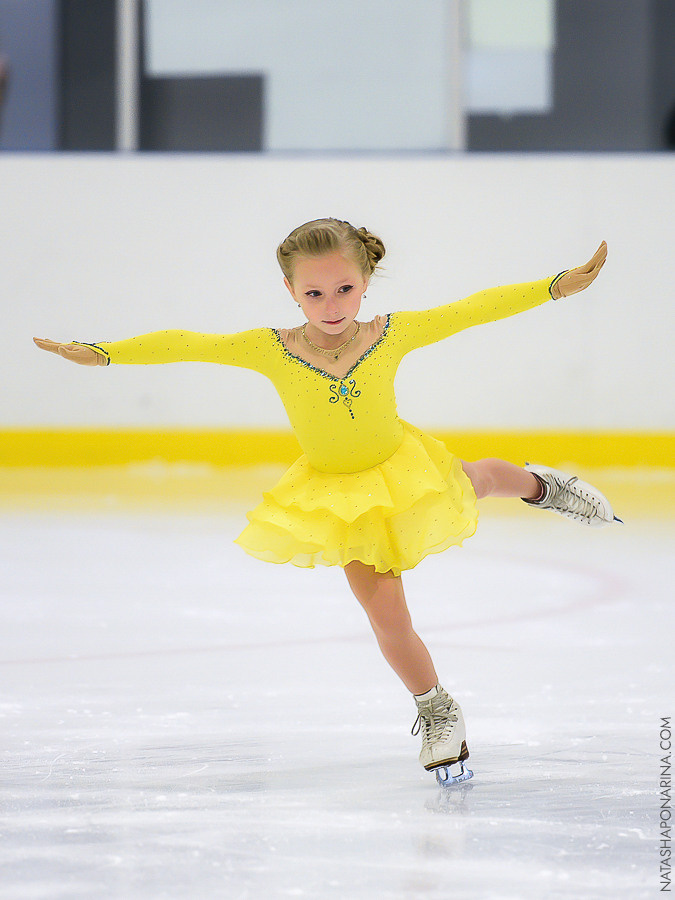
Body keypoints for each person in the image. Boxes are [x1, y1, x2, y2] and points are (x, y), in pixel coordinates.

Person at [34, 218, 618, 785]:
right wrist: (105, 353)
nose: (332, 304)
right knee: (388, 617)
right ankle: (438, 710)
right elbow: (188, 344)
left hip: (404, 467)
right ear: (290, 290)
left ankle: (546, 488)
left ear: (365, 282)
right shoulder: (271, 349)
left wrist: (556, 286)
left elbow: (471, 309)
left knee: (483, 480)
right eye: (314, 292)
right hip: (342, 499)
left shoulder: (390, 333)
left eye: (344, 289)